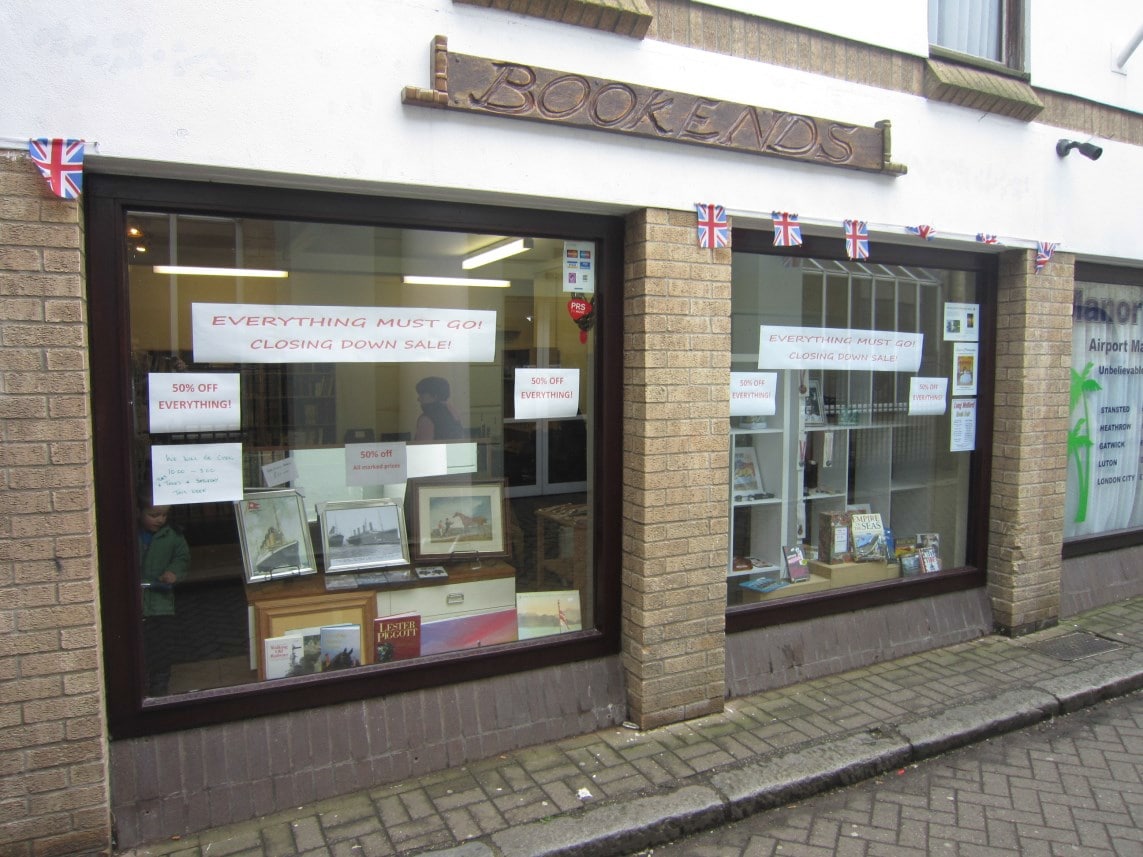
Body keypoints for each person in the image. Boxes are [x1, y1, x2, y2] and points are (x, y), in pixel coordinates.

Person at [138, 497, 190, 695]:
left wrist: (173, 572)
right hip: (138, 599)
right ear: (138, 512)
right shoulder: (131, 533)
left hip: (161, 602)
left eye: (164, 515)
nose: (160, 519)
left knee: (160, 645)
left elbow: (182, 558)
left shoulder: (172, 536)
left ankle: (159, 684)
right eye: (154, 515)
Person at [414, 376, 464, 440]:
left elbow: (420, 447)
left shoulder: (426, 419)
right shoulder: (454, 412)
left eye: (422, 395)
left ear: (435, 396)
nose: (418, 399)